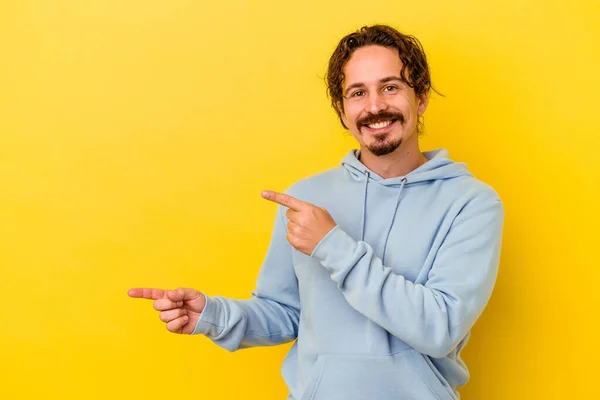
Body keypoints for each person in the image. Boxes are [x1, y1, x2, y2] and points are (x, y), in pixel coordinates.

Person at [128, 24, 504, 400]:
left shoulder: (471, 203)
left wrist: (332, 246)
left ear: (420, 98)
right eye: (358, 93)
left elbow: (438, 329)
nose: (374, 106)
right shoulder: (306, 197)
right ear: (342, 112)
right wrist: (213, 316)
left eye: (390, 87)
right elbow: (286, 312)